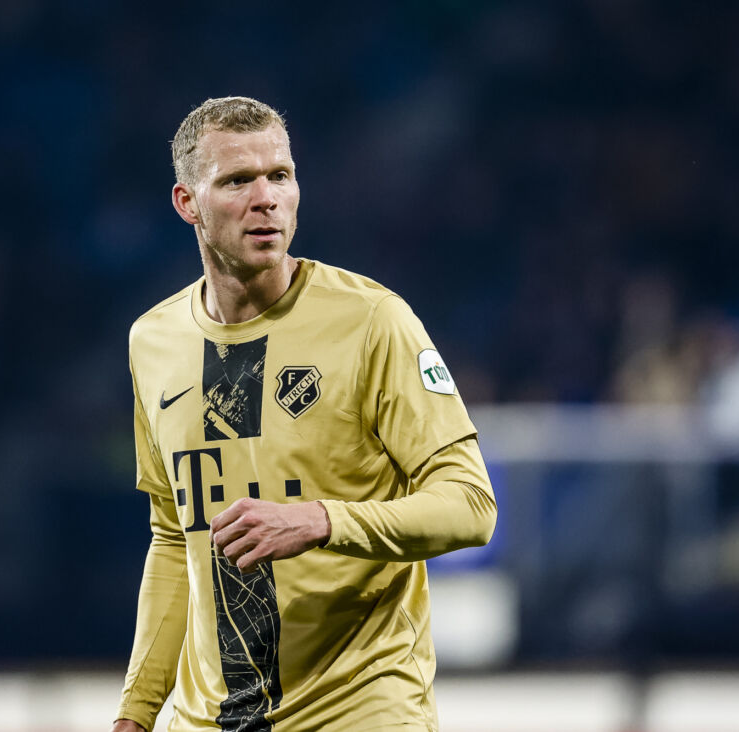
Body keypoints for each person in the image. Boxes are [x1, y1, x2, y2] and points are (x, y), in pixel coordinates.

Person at [110, 96, 497, 732]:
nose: (266, 198)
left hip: (358, 709)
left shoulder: (373, 321)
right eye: (238, 181)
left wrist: (321, 520)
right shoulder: (152, 341)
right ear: (187, 203)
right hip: (209, 720)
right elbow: (178, 537)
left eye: (280, 176)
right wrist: (136, 713)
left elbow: (470, 506)